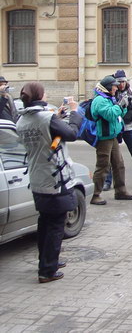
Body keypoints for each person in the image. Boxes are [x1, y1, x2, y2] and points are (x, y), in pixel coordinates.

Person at [15, 82, 82, 283]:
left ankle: (46, 261)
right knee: (55, 225)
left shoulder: (22, 120)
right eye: (44, 94)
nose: (46, 97)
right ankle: (47, 271)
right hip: (55, 178)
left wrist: (57, 117)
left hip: (37, 179)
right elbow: (71, 134)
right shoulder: (46, 118)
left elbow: (43, 134)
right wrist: (75, 112)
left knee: (45, 223)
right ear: (39, 96)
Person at [89, 75, 132, 205]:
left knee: (119, 164)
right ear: (108, 87)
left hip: (112, 136)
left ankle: (120, 191)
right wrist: (120, 106)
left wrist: (124, 105)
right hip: (104, 138)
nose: (117, 88)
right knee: (103, 166)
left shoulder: (109, 98)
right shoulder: (100, 100)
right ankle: (95, 195)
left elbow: (119, 113)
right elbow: (110, 115)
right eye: (115, 86)